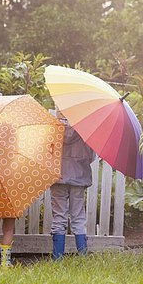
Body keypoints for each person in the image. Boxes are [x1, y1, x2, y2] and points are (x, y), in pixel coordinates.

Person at [50, 111, 96, 260]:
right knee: (78, 216)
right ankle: (82, 255)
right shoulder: (85, 129)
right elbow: (91, 157)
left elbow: (47, 152)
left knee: (59, 215)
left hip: (58, 176)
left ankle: (57, 257)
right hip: (79, 176)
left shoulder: (53, 129)